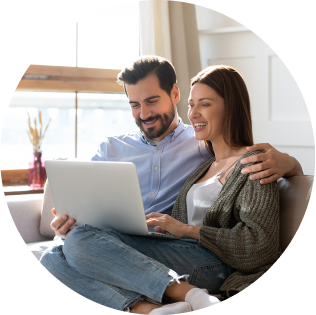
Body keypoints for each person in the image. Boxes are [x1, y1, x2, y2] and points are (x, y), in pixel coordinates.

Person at [40, 63, 281, 313]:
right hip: (169, 249)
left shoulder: (254, 163)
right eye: (192, 105)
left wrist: (185, 229)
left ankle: (191, 294)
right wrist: (73, 223)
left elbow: (260, 247)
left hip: (210, 261)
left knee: (78, 242)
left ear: (230, 106)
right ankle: (148, 310)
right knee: (53, 255)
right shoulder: (205, 165)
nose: (194, 114)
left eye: (205, 104)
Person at [48, 55, 302, 240]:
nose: (144, 113)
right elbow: (85, 207)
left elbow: (242, 162)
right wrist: (67, 225)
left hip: (165, 246)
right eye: (135, 104)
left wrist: (291, 164)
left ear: (175, 94)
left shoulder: (203, 144)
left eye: (152, 101)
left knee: (71, 251)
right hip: (110, 241)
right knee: (57, 251)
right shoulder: (110, 149)